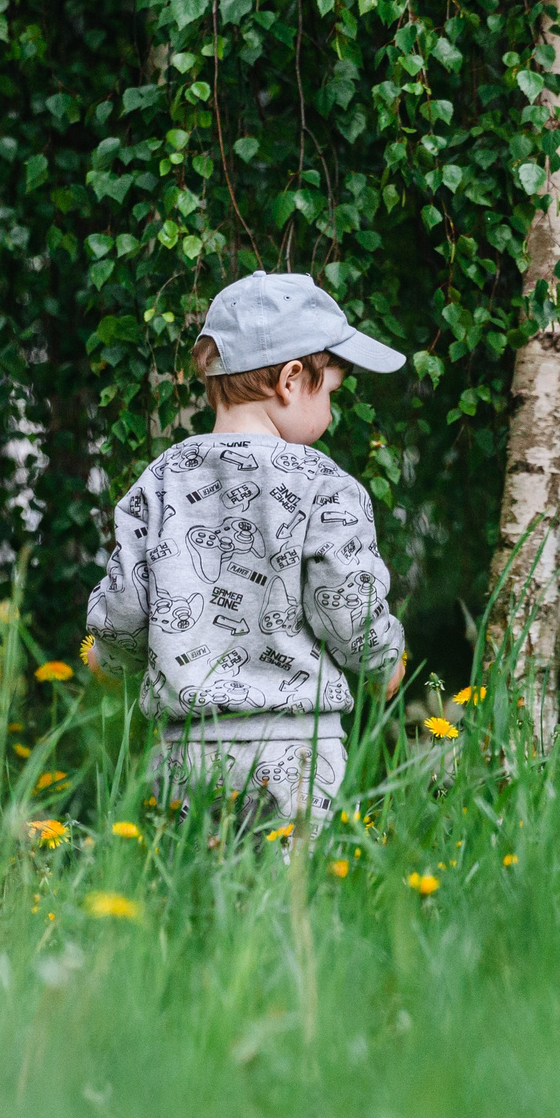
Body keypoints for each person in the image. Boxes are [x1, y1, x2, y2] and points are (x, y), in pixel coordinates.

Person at [83, 272, 409, 829]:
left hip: (186, 756)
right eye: (330, 392)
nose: (331, 412)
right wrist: (384, 665)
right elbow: (349, 610)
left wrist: (107, 660)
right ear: (290, 380)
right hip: (299, 756)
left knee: (191, 903)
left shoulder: (161, 482)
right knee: (292, 902)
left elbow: (124, 608)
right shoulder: (327, 487)